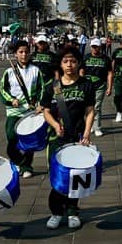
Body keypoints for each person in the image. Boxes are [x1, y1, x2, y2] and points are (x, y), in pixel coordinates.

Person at [42, 47, 95, 230]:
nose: (69, 65)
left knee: (75, 176)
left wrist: (87, 133)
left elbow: (89, 111)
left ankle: (72, 210)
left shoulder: (86, 85)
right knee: (58, 177)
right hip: (57, 139)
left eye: (73, 61)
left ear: (78, 63)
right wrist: (55, 125)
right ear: (60, 64)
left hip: (78, 138)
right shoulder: (53, 87)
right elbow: (46, 111)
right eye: (65, 61)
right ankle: (56, 212)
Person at [0, 40, 44, 178]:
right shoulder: (9, 72)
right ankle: (19, 162)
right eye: (21, 52)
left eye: (26, 52)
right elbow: (2, 89)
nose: (24, 55)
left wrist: (40, 104)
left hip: (30, 111)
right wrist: (11, 99)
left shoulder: (36, 70)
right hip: (14, 111)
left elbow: (41, 88)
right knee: (12, 139)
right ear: (16, 54)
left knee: (29, 141)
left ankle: (26, 167)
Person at [81, 38, 113, 137]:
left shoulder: (106, 59)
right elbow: (81, 71)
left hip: (100, 85)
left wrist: (109, 87)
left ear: (100, 47)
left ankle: (97, 127)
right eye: (93, 47)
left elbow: (110, 73)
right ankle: (89, 125)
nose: (95, 49)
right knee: (87, 106)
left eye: (97, 47)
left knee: (96, 107)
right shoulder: (86, 58)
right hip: (87, 86)